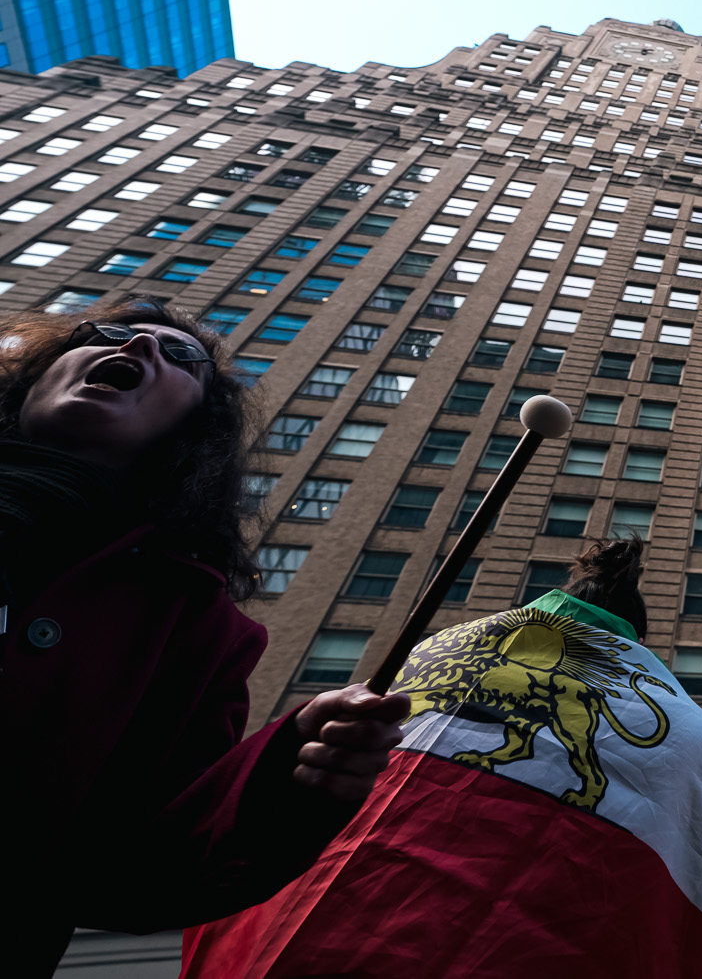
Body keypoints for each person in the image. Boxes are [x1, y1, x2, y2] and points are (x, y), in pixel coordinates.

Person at [1, 299, 409, 977]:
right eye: (109, 333)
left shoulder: (199, 629)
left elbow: (140, 868)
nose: (137, 347)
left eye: (179, 356)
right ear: (31, 380)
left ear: (194, 433)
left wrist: (290, 769)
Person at [182, 538, 702, 977]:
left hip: (324, 901)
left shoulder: (433, 648)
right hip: (516, 935)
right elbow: (696, 851)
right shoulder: (683, 719)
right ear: (635, 636)